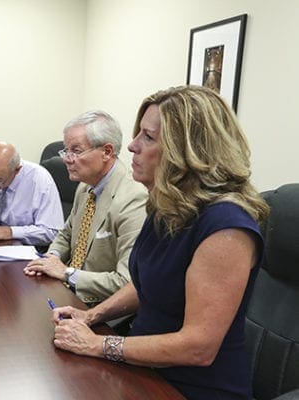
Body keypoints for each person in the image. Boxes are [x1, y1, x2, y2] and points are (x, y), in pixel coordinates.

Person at [50, 86, 269, 400]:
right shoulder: (168, 207)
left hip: (192, 388)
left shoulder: (227, 227)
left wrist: (99, 344)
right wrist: (91, 316)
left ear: (187, 151)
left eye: (148, 137)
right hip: (143, 368)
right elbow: (145, 285)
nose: (132, 146)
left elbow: (199, 348)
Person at [23, 111, 147, 305]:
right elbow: (65, 235)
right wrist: (50, 258)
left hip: (102, 306)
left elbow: (127, 282)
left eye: (76, 150)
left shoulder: (134, 199)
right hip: (67, 293)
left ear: (106, 151)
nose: (66, 159)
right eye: (66, 150)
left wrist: (67, 273)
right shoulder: (85, 186)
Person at [0, 141, 64, 246]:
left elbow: (51, 232)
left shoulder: (39, 180)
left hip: (29, 249)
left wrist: (11, 232)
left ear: (17, 170)